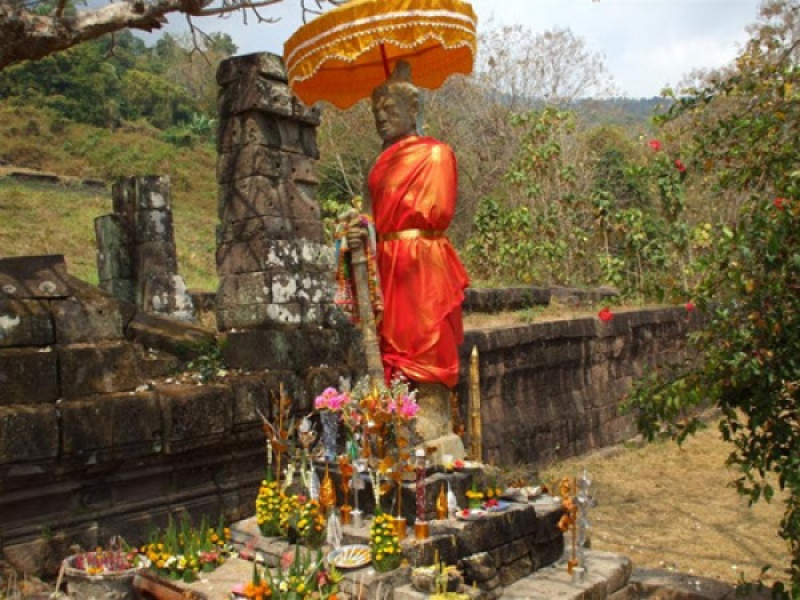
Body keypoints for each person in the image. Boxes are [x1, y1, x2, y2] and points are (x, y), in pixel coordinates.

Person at [364, 62, 470, 439]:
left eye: (390, 110)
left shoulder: (436, 154)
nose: (381, 118)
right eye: (376, 112)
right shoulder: (378, 165)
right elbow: (368, 216)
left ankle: (430, 420)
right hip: (384, 263)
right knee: (386, 347)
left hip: (422, 262)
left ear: (413, 111)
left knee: (426, 340)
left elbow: (436, 210)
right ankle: (393, 419)